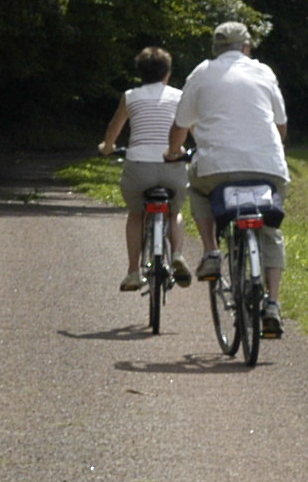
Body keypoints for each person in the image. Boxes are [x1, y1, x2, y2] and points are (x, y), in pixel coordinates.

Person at [166, 20, 292, 336]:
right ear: (246, 46)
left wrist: (173, 151)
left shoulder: (200, 73)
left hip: (217, 168)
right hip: (267, 167)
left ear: (215, 48)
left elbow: (181, 125)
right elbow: (281, 127)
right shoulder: (264, 72)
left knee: (198, 187)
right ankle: (273, 304)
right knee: (270, 230)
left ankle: (210, 250)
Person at [96, 47, 192, 292]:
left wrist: (107, 147)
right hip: (171, 164)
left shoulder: (130, 96)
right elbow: (193, 129)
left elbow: (114, 128)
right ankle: (178, 254)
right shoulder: (180, 97)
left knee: (137, 214)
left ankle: (133, 271)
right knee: (174, 211)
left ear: (140, 74)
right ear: (167, 74)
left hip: (139, 167)